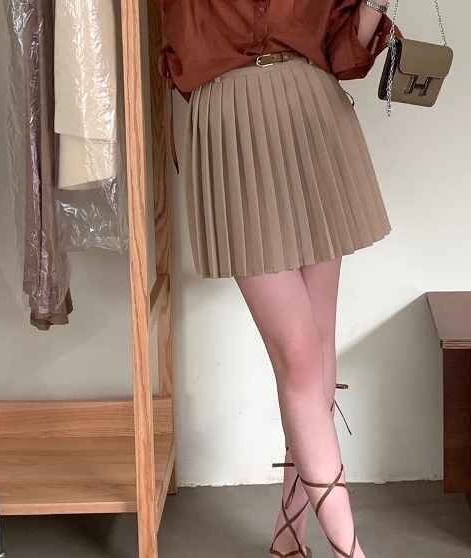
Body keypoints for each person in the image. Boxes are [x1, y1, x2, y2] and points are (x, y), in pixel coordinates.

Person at [157, 2, 401, 556]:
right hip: (232, 122)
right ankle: (350, 552)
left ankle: (290, 537)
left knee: (319, 348)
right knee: (299, 356)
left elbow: (344, 54)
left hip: (314, 116)